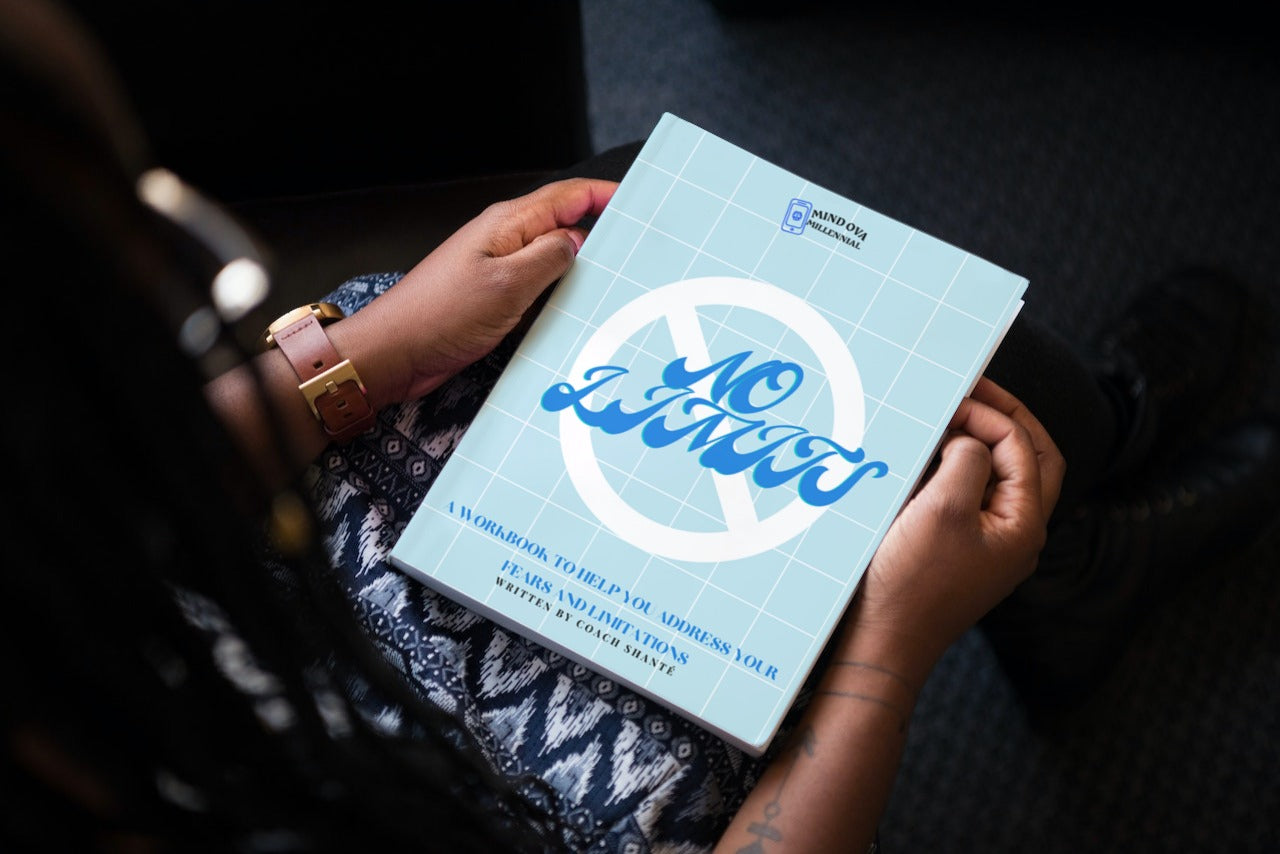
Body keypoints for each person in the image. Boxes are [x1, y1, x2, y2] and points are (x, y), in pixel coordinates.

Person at [2, 1, 1277, 852]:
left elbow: (115, 492)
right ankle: (1081, 530)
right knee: (930, 412)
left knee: (752, 262)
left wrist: (369, 353)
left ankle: (1073, 533)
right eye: (143, 244)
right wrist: (887, 657)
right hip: (577, 792)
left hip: (331, 538)